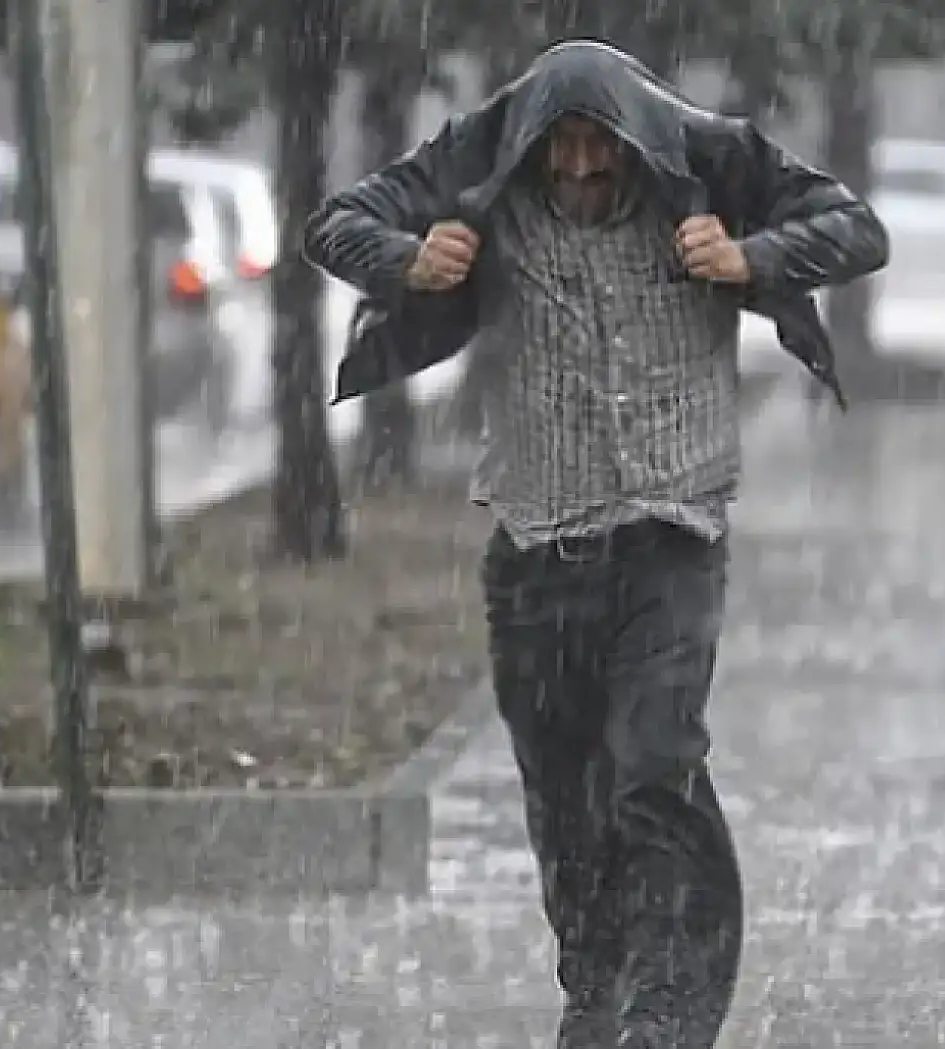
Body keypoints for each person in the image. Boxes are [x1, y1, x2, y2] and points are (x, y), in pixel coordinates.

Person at [304, 40, 887, 1049]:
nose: (576, 167)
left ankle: (671, 1007)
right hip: (535, 546)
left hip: (671, 533)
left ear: (633, 138)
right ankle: (596, 985)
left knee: (654, 765)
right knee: (566, 795)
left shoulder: (704, 158)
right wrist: (409, 259)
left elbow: (855, 228)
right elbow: (333, 221)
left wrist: (750, 259)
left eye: (596, 146)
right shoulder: (480, 155)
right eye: (558, 148)